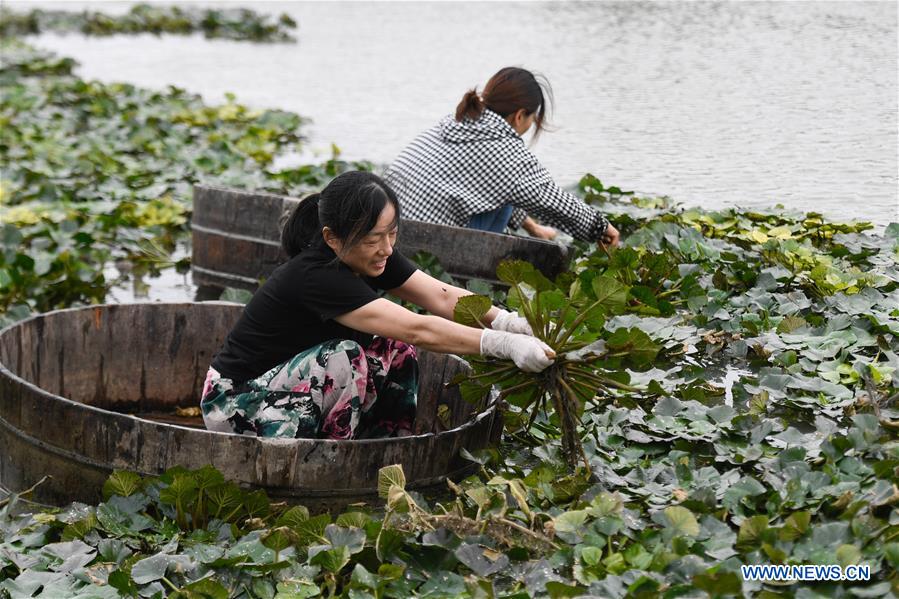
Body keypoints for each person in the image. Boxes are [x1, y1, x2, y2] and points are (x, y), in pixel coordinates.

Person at [200, 171, 554, 441]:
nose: (386, 247)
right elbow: (418, 326)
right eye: (374, 238)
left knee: (397, 350)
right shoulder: (315, 275)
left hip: (292, 388)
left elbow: (441, 296)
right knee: (346, 355)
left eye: (392, 233)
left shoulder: (373, 255)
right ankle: (331, 455)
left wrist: (506, 322)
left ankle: (383, 444)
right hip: (235, 402)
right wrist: (502, 346)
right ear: (332, 239)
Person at [386, 66, 620, 247]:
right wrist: (601, 227)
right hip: (427, 248)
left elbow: (492, 186)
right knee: (518, 188)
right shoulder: (505, 150)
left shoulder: (456, 123)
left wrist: (531, 227)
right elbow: (550, 198)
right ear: (520, 116)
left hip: (388, 237)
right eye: (532, 119)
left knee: (510, 189)